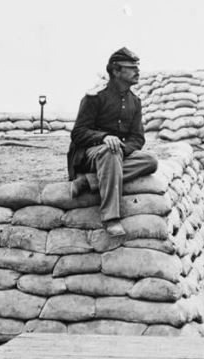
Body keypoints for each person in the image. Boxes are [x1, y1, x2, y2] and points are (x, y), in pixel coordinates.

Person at [67, 47, 158, 236]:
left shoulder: (135, 101)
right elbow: (78, 133)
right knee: (111, 152)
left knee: (150, 160)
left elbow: (137, 138)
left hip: (116, 155)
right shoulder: (95, 97)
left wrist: (121, 148)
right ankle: (111, 218)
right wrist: (103, 138)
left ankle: (89, 181)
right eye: (131, 67)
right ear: (116, 71)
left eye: (136, 67)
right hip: (88, 155)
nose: (137, 71)